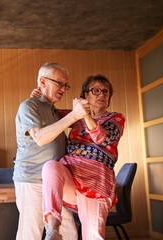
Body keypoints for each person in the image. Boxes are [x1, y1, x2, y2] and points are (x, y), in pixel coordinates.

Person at [42, 74, 125, 240]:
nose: (101, 94)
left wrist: (84, 115)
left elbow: (102, 138)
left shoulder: (115, 118)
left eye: (105, 92)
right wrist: (38, 99)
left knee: (93, 236)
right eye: (96, 91)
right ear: (85, 95)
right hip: (71, 178)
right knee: (50, 167)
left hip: (96, 183)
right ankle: (53, 230)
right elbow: (49, 113)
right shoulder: (75, 115)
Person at [14, 62, 89, 240]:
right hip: (32, 180)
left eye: (66, 85)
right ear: (42, 81)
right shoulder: (28, 106)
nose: (63, 89)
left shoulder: (53, 110)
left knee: (69, 232)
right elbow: (40, 137)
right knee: (30, 234)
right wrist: (74, 115)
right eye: (59, 83)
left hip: (55, 182)